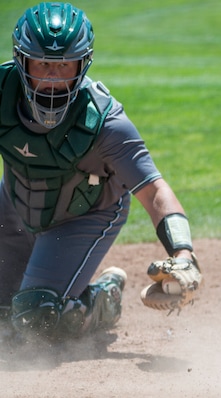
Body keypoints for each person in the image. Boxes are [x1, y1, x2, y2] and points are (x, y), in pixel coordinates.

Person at [0, 3, 201, 344]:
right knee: (5, 317)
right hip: (15, 204)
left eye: (64, 65)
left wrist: (183, 255)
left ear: (82, 64)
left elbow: (153, 192)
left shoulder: (106, 123)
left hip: (85, 215)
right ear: (22, 61)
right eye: (43, 64)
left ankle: (99, 303)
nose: (51, 77)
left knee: (35, 319)